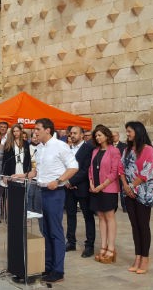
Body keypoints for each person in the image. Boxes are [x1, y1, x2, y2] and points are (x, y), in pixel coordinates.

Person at [22, 118, 78, 283]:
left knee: (55, 232)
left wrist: (59, 181)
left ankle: (58, 270)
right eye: (34, 129)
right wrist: (23, 176)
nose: (35, 132)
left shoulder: (60, 146)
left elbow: (74, 167)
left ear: (48, 130)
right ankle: (47, 267)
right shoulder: (39, 148)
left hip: (54, 193)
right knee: (44, 232)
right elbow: (37, 171)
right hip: (40, 191)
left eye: (38, 129)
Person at [121, 121, 153, 274]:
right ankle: (137, 256)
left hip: (143, 193)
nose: (127, 134)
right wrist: (125, 185)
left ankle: (145, 257)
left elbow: (148, 171)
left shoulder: (148, 149)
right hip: (129, 192)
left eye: (129, 131)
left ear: (137, 131)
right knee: (134, 226)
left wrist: (132, 186)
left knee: (143, 225)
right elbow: (120, 168)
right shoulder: (127, 150)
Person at [88, 125, 123, 264]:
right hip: (95, 188)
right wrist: (91, 184)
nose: (97, 137)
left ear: (107, 136)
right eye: (96, 136)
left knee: (109, 216)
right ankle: (103, 246)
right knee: (101, 217)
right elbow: (91, 169)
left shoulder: (114, 151)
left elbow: (114, 172)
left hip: (108, 188)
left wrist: (101, 186)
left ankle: (111, 249)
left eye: (100, 135)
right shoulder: (95, 151)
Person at [64, 126, 95, 257]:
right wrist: (66, 182)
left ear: (82, 135)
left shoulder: (89, 148)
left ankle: (90, 245)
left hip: (82, 187)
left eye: (75, 133)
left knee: (87, 216)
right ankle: (71, 242)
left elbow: (85, 169)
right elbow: (64, 166)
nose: (72, 135)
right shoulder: (66, 148)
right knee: (70, 215)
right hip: (68, 188)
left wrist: (71, 181)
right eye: (71, 133)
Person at [2, 125, 32, 225]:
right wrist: (5, 175)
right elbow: (5, 161)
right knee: (10, 196)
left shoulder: (26, 143)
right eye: (14, 131)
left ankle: (23, 216)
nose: (15, 133)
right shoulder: (8, 143)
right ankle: (10, 217)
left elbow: (29, 159)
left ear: (21, 131)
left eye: (17, 131)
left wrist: (29, 172)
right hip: (12, 171)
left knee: (23, 196)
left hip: (23, 172)